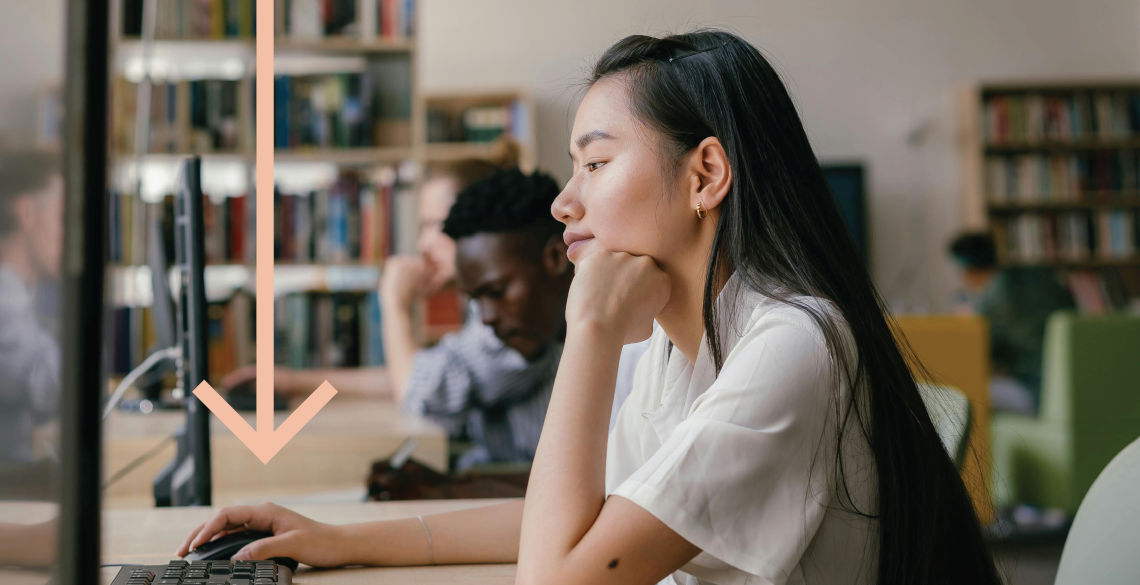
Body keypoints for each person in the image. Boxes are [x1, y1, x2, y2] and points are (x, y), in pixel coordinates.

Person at [179, 30, 1000, 585]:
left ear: (706, 175)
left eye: (596, 164)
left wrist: (594, 327)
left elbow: (559, 578)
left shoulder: (795, 344)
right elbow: (565, 524)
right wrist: (333, 538)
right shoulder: (682, 347)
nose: (565, 203)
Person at [949, 231, 1075, 414]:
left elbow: (978, 357)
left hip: (1036, 393)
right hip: (1071, 386)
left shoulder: (991, 301)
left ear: (965, 270)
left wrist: (968, 321)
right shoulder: (1042, 278)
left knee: (958, 393)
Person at [0, 147, 63, 464]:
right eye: (64, 217)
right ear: (26, 213)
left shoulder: (22, 299)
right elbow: (54, 390)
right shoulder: (5, 306)